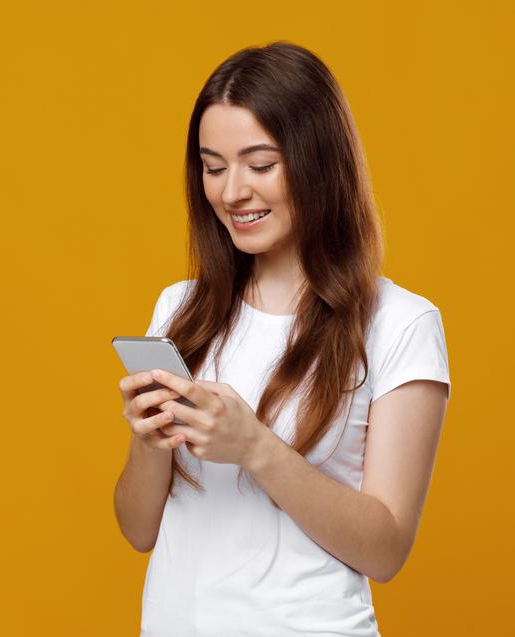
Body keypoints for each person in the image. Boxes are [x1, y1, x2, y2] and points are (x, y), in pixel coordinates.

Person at [113, 41, 451, 637]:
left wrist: (256, 448)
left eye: (260, 165)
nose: (231, 191)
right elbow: (139, 530)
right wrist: (149, 441)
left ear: (318, 161)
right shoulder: (182, 309)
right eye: (212, 167)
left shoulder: (401, 323)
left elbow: (386, 549)